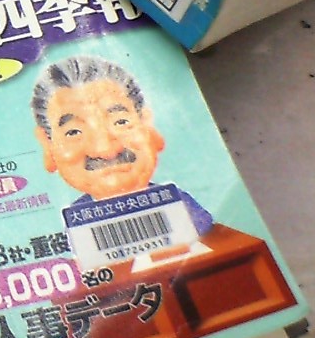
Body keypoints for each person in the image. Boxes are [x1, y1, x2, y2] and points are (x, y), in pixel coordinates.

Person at [30, 55, 213, 235]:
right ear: (48, 145)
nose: (105, 150)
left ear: (147, 126)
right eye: (74, 132)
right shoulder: (70, 228)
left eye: (120, 122)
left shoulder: (182, 207)